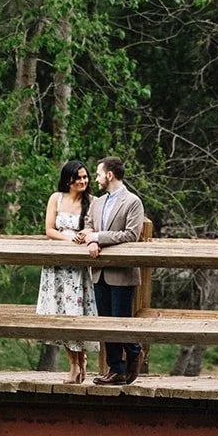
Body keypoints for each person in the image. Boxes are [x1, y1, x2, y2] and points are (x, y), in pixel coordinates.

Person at [76, 156, 145, 385]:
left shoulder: (132, 202)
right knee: (105, 322)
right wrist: (91, 240)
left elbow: (131, 235)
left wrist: (98, 237)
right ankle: (116, 369)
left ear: (109, 175)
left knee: (120, 320)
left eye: (97, 174)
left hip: (122, 272)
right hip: (99, 271)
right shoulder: (97, 202)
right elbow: (88, 225)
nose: (94, 179)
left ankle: (134, 351)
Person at [36, 158, 98, 383]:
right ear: (68, 179)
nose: (83, 181)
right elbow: (49, 229)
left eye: (85, 177)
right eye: (78, 177)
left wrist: (86, 235)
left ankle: (82, 362)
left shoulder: (92, 201)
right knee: (60, 312)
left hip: (78, 269)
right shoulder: (56, 198)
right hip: (56, 264)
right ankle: (73, 364)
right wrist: (69, 237)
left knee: (76, 312)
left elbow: (97, 228)